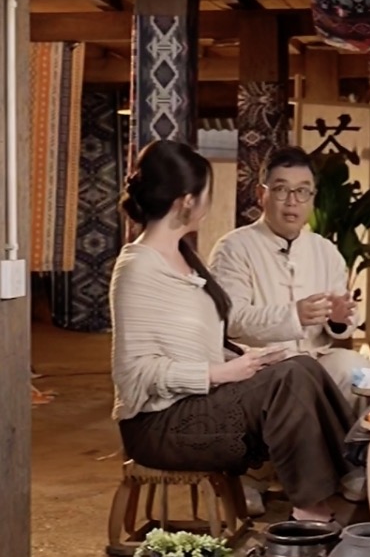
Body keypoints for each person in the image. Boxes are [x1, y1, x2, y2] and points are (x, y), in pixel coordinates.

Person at [109, 140, 351, 524]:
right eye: (207, 192)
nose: (209, 202)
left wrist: (248, 361)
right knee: (289, 378)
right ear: (187, 201)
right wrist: (219, 373)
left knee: (300, 364)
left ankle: (350, 471)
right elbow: (133, 373)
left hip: (201, 399)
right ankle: (312, 510)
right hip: (161, 423)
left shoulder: (184, 258)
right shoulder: (138, 269)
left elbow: (205, 341)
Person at [209, 147, 360, 408]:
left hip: (315, 358)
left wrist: (338, 319)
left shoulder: (325, 250)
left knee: (354, 368)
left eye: (302, 191)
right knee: (296, 377)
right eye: (281, 189)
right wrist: (293, 316)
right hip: (261, 366)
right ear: (261, 194)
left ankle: (358, 437)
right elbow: (232, 320)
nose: (292, 201)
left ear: (313, 198)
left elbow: (346, 316)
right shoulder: (233, 247)